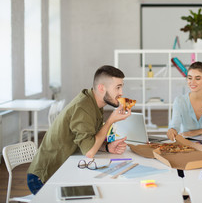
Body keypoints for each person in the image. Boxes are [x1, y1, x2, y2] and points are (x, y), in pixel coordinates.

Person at [27, 65, 132, 194]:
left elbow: (89, 141)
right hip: (44, 178)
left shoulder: (94, 102)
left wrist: (107, 147)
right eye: (118, 87)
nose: (121, 93)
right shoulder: (83, 107)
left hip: (64, 169)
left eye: (121, 87)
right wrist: (110, 120)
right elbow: (89, 152)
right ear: (101, 88)